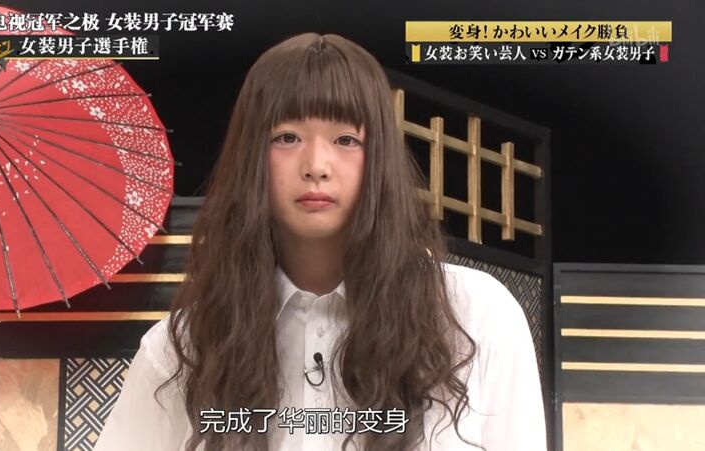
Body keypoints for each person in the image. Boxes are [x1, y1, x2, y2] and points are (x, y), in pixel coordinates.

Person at [94, 33, 546, 451]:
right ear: (251, 158)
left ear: (380, 159)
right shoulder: (183, 349)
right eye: (287, 137)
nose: (316, 165)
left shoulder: (474, 318)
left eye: (346, 139)